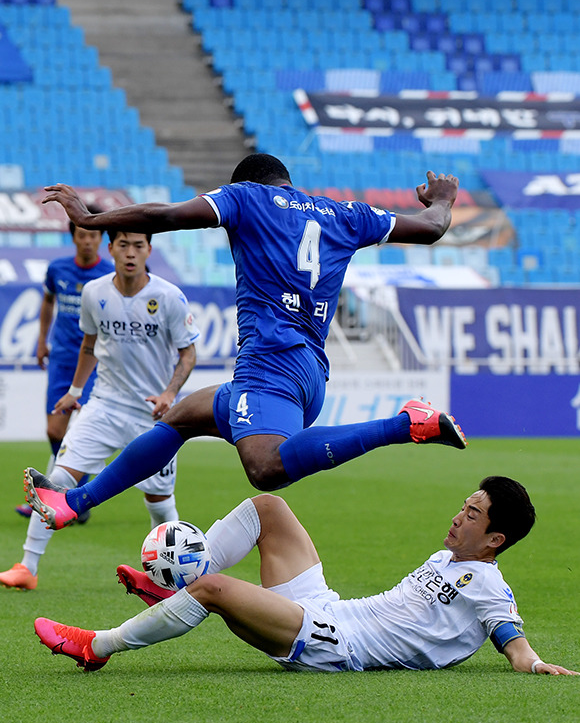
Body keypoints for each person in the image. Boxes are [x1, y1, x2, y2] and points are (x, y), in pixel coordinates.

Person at [26, 153, 466, 532]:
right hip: (308, 372)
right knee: (180, 419)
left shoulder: (246, 197)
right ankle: (72, 502)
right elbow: (432, 227)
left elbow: (167, 216)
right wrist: (443, 200)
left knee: (265, 468)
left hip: (270, 362)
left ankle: (405, 424)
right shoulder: (347, 215)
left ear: (244, 182)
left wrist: (90, 219)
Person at [34, 476, 578, 677]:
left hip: (338, 645)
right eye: (464, 505)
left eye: (473, 514)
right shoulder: (447, 560)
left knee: (215, 591)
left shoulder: (488, 585)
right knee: (268, 507)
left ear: (495, 540)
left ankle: (98, 646)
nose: (459, 516)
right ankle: (169, 588)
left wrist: (532, 663)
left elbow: (511, 639)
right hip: (331, 610)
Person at [0, 230, 199, 590]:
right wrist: (75, 391)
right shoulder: (94, 292)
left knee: (159, 501)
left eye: (138, 246)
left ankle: (171, 581)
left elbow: (188, 353)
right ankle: (27, 567)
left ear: (149, 250)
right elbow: (89, 345)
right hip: (103, 406)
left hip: (152, 416)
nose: (130, 253)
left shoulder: (169, 296)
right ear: (112, 249)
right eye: (123, 245)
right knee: (57, 481)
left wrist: (170, 393)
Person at [15, 209, 113, 518]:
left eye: (93, 235)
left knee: (83, 430)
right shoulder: (57, 269)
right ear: (73, 237)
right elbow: (48, 302)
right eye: (82, 235)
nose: (87, 241)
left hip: (95, 363)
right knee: (55, 431)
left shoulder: (110, 274)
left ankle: (67, 499)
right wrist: (41, 340)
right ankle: (73, 492)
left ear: (101, 238)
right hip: (61, 359)